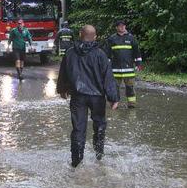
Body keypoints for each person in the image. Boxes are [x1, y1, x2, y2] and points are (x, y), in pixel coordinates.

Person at [57, 24, 119, 167]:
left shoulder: (70, 53)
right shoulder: (100, 54)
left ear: (80, 34)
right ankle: (99, 156)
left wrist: (62, 89)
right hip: (97, 97)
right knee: (99, 125)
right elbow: (108, 77)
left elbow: (64, 73)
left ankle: (76, 162)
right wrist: (113, 98)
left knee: (78, 128)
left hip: (78, 97)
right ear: (95, 37)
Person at [105, 20, 143, 108]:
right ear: (116, 27)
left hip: (129, 69)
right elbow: (107, 54)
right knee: (114, 89)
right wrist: (106, 66)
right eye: (120, 26)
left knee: (130, 88)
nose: (122, 27)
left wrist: (138, 64)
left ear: (125, 26)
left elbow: (137, 52)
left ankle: (132, 106)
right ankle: (114, 105)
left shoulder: (131, 38)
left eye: (123, 25)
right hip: (115, 69)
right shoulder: (112, 38)